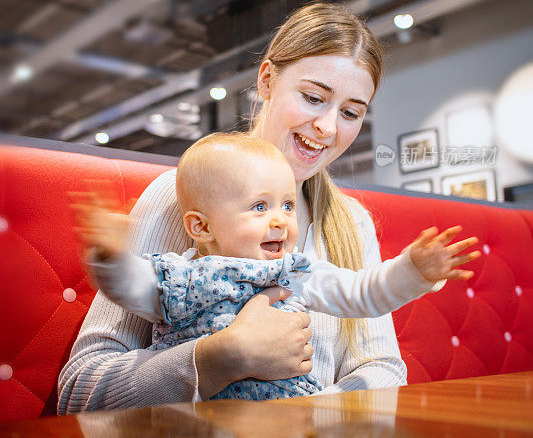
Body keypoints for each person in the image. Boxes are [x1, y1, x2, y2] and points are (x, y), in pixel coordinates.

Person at [57, 1, 474, 414]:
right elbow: (80, 391)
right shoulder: (179, 197)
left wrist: (301, 419)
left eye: (350, 112)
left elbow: (382, 367)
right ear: (267, 80)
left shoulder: (353, 223)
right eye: (313, 97)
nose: (327, 128)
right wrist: (218, 358)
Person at [73, 132, 478, 401]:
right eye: (259, 207)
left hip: (291, 429)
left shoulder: (296, 272)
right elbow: (133, 287)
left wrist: (414, 271)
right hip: (192, 433)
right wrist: (110, 257)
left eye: (286, 205)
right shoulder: (182, 276)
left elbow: (363, 293)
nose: (281, 219)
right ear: (200, 226)